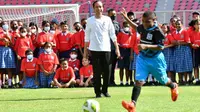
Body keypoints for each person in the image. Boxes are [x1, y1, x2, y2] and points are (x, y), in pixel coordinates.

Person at [120, 9, 179, 112]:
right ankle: (132, 104)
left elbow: (160, 47)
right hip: (143, 58)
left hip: (156, 59)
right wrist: (126, 18)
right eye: (143, 21)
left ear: (154, 20)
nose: (145, 24)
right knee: (138, 81)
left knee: (163, 80)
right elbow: (136, 27)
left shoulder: (157, 31)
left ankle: (173, 86)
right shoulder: (143, 26)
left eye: (147, 21)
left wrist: (145, 46)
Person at [83, 0, 120, 98]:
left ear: (103, 8)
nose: (99, 9)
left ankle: (105, 90)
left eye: (100, 7)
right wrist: (85, 54)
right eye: (96, 7)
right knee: (97, 72)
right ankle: (98, 92)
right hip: (94, 50)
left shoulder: (107, 19)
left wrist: (117, 49)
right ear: (93, 8)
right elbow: (86, 38)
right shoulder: (90, 21)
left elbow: (113, 35)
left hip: (107, 49)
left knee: (107, 71)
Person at [172, 20, 193, 85]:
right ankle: (180, 80)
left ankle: (186, 80)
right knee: (178, 65)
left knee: (185, 65)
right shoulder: (174, 33)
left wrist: (179, 42)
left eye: (179, 24)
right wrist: (175, 42)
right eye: (177, 24)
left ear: (182, 24)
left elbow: (188, 42)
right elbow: (173, 41)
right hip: (177, 50)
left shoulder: (185, 31)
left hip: (185, 49)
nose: (178, 25)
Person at [0, 21, 16, 88]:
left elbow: (13, 44)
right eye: (4, 24)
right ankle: (1, 84)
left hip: (9, 49)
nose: (5, 25)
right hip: (1, 49)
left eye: (6, 24)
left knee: (9, 68)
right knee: (1, 68)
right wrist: (2, 38)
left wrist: (8, 37)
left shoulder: (10, 33)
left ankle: (10, 83)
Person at [107, 8, 120, 86]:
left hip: (114, 48)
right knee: (107, 65)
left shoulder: (117, 23)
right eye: (112, 14)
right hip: (106, 48)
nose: (114, 16)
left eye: (115, 14)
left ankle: (112, 81)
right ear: (108, 14)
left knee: (113, 66)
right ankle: (107, 81)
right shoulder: (105, 23)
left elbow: (118, 35)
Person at [117, 21, 132, 86]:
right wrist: (119, 52)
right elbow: (117, 43)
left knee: (127, 67)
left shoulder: (131, 33)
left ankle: (127, 82)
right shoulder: (120, 33)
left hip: (128, 50)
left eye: (128, 26)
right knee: (121, 67)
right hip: (122, 50)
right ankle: (121, 82)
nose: (127, 27)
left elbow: (132, 43)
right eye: (125, 26)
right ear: (123, 26)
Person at [188, 19, 200, 85]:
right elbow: (189, 42)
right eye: (197, 24)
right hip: (195, 50)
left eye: (199, 24)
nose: (198, 25)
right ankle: (197, 79)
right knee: (195, 65)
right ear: (194, 25)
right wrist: (192, 45)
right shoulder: (192, 33)